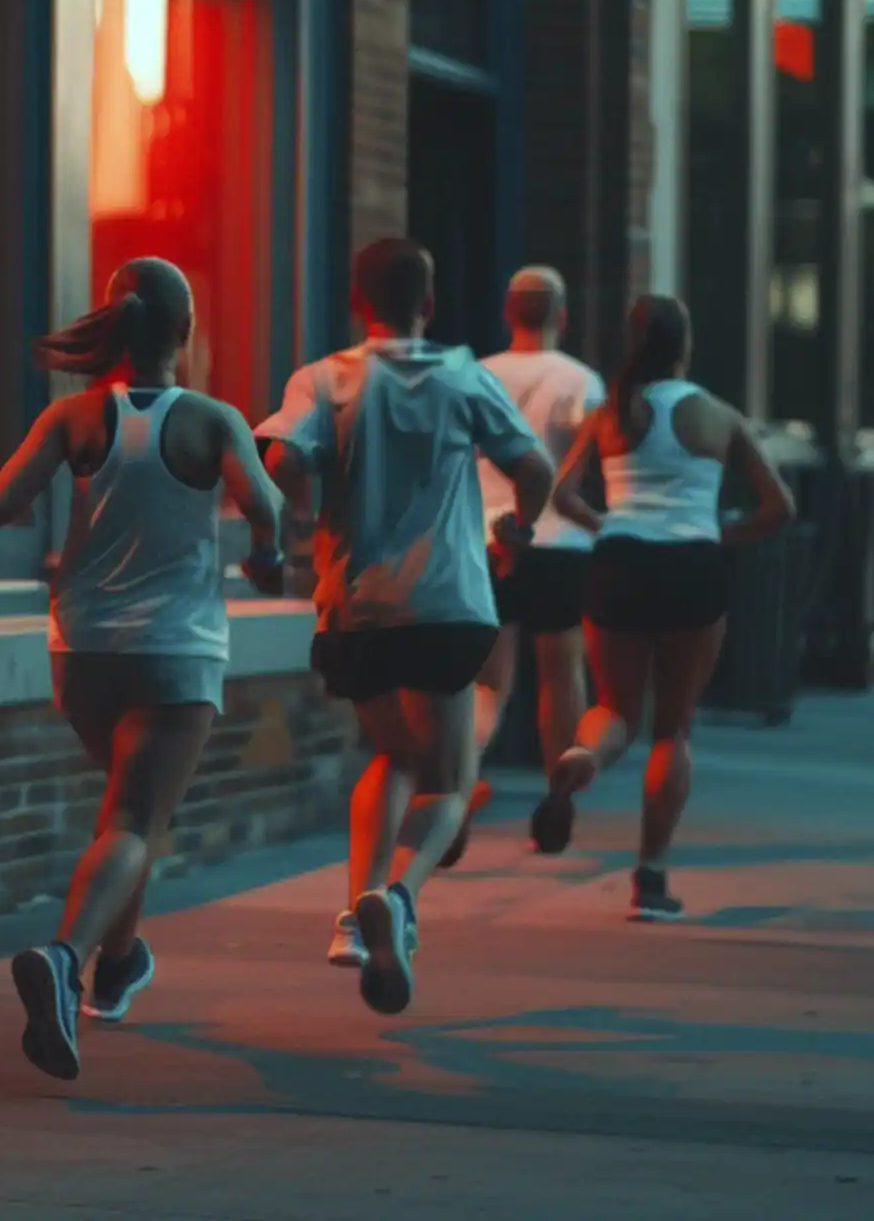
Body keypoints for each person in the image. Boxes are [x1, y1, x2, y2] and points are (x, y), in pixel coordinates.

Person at [0, 258, 286, 1081]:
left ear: (113, 326)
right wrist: (268, 554)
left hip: (82, 652)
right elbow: (266, 502)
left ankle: (116, 969)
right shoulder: (213, 420)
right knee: (133, 823)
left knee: (130, 813)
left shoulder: (73, 418)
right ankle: (65, 956)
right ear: (184, 333)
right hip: (175, 650)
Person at [258, 239, 553, 1014]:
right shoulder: (463, 376)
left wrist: (294, 523)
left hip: (357, 605)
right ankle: (398, 895)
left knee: (388, 753)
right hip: (449, 600)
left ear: (359, 303)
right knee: (448, 779)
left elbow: (279, 460)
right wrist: (519, 527)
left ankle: (356, 915)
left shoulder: (323, 378)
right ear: (428, 303)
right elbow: (534, 468)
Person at [545, 294, 794, 921]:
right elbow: (778, 508)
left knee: (613, 710)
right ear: (686, 343)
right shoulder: (718, 415)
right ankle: (650, 879)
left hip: (620, 560)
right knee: (672, 728)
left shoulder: (611, 413)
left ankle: (582, 758)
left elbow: (561, 494)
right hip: (693, 566)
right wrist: (719, 535)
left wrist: (610, 523)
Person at [443, 266, 606, 867]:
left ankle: (459, 787)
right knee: (562, 672)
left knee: (486, 681)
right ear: (561, 316)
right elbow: (590, 465)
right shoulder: (580, 381)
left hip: (485, 540)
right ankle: (558, 784)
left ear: (508, 314)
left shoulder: (474, 374)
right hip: (559, 544)